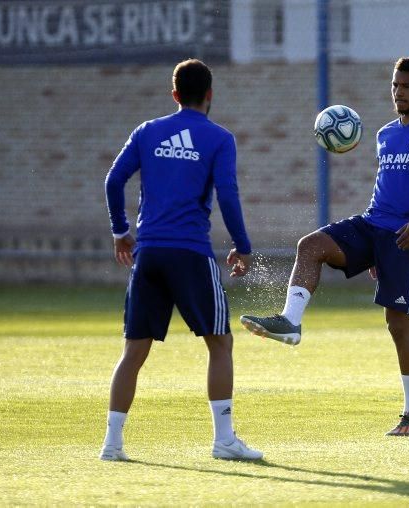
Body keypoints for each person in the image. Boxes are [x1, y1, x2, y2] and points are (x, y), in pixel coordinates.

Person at [241, 56, 409, 436]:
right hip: (373, 224)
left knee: (398, 324)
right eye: (395, 85)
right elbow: (387, 189)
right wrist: (372, 250)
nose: (399, 92)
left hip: (406, 237)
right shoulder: (384, 134)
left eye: (407, 86)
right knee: (310, 245)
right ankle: (290, 321)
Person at [101, 59, 262, 461]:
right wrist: (242, 244)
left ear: (174, 95)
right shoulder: (219, 138)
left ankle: (112, 444)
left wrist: (122, 232)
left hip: (150, 254)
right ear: (210, 95)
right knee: (220, 343)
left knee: (133, 352)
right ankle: (224, 441)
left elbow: (113, 180)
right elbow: (227, 194)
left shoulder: (148, 131)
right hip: (190, 254)